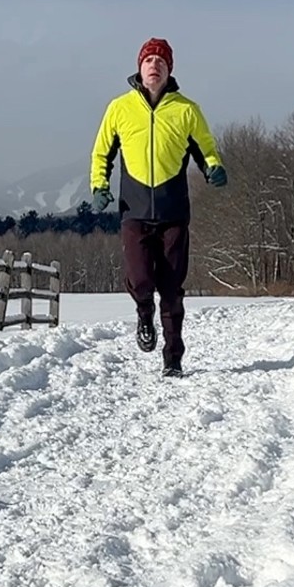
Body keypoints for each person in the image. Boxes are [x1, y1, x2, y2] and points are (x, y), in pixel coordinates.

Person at [89, 37, 226, 376]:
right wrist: (99, 185)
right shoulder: (119, 108)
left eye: (161, 61)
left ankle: (173, 357)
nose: (154, 65)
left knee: (172, 288)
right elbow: (102, 152)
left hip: (173, 212)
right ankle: (143, 312)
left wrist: (213, 168)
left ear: (169, 70)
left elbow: (206, 149)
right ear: (139, 67)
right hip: (133, 211)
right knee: (139, 278)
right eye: (149, 59)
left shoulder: (186, 110)